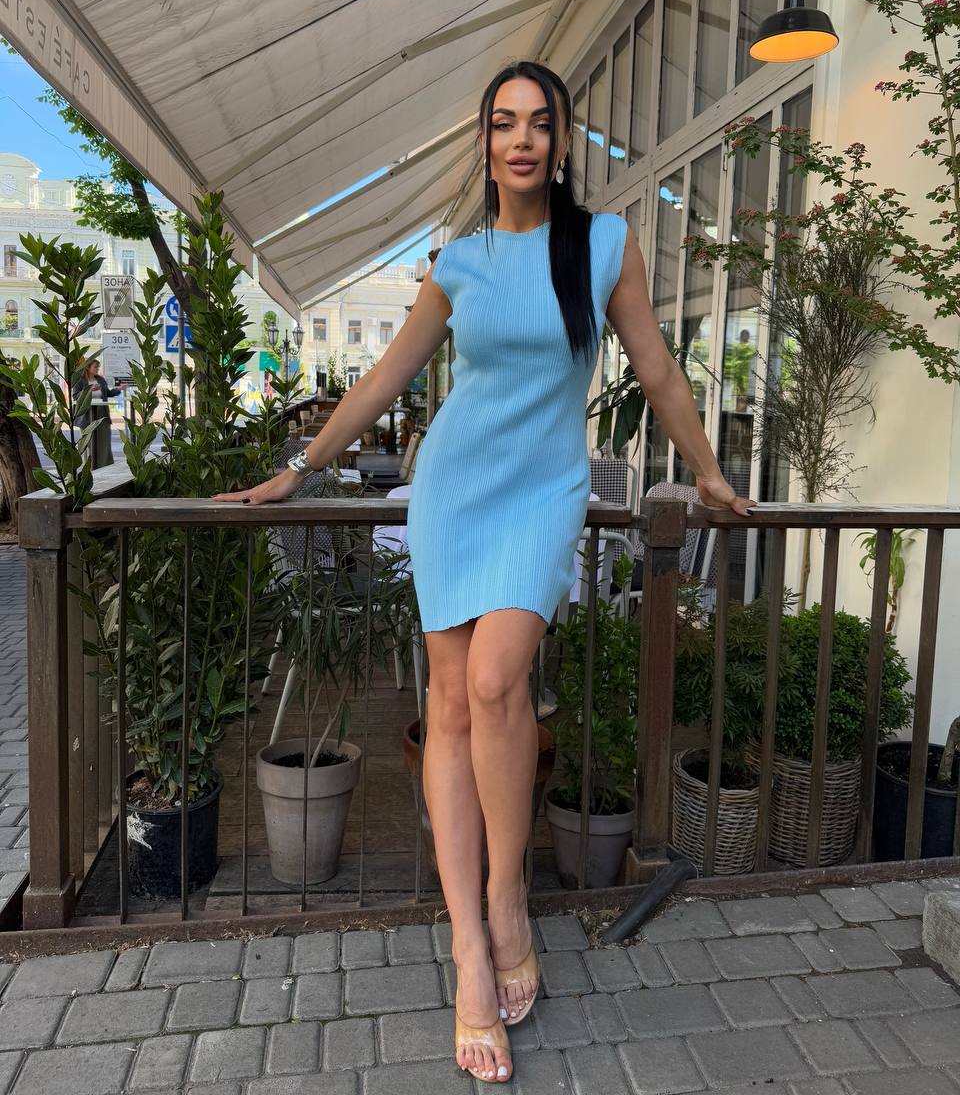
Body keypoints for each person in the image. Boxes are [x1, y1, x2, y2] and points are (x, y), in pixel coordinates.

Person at [214, 60, 755, 1084]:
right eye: (503, 123)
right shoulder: (457, 260)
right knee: (452, 704)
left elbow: (659, 370)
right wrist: (301, 466)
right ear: (485, 141)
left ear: (562, 140)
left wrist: (713, 471)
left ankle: (509, 894)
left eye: (538, 123)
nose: (521, 139)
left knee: (501, 679)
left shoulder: (603, 246)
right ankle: (473, 939)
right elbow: (388, 374)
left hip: (541, 490)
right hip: (454, 490)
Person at [72, 357, 125, 462]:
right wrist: (89, 390)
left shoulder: (100, 379)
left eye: (98, 367)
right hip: (86, 416)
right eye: (95, 367)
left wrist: (119, 389)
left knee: (104, 440)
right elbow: (75, 396)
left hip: (102, 414)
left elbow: (108, 393)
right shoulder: (79, 381)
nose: (97, 369)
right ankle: (89, 465)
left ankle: (105, 464)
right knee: (89, 441)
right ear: (88, 367)